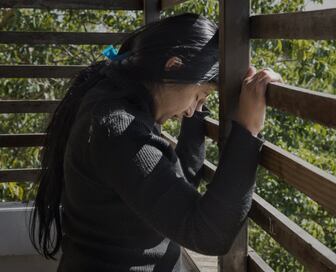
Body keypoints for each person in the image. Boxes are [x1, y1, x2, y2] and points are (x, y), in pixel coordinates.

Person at [28, 12, 283, 272]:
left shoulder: (111, 100)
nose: (191, 110)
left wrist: (196, 115)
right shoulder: (119, 130)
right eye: (199, 95)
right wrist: (247, 131)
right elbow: (211, 234)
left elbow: (175, 186)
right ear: (173, 66)